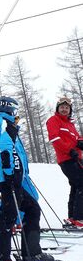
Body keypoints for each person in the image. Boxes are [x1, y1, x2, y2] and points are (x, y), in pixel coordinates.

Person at [0, 96, 58, 261]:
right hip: (9, 179)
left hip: (0, 178)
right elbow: (6, 149)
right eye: (16, 111)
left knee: (31, 209)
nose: (16, 115)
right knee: (8, 217)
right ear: (11, 109)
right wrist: (11, 173)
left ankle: (31, 253)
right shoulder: (6, 124)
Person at [46, 97, 83, 227]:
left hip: (76, 159)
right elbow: (54, 138)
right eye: (62, 107)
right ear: (57, 108)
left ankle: (73, 217)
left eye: (67, 107)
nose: (64, 109)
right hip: (67, 159)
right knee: (81, 184)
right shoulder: (53, 120)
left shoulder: (70, 124)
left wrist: (80, 142)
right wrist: (70, 150)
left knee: (76, 186)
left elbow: (77, 137)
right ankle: (79, 219)